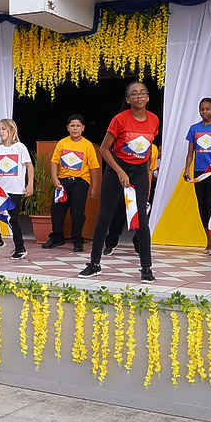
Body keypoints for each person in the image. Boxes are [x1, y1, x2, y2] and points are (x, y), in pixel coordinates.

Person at [79, 81, 159, 283]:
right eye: (134, 93)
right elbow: (104, 149)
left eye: (143, 93)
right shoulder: (120, 119)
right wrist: (120, 172)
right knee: (104, 217)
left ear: (148, 97)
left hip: (140, 171)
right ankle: (94, 264)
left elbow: (147, 150)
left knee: (142, 219)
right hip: (117, 168)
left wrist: (146, 175)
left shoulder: (154, 120)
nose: (139, 96)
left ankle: (146, 268)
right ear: (128, 99)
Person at [42, 114, 101, 252]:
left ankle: (77, 240)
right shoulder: (62, 143)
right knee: (57, 210)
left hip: (80, 182)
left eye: (78, 126)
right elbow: (54, 162)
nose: (75, 128)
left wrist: (94, 187)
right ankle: (57, 237)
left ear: (83, 128)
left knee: (77, 212)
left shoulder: (87, 145)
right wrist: (55, 178)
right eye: (72, 126)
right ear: (68, 128)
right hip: (62, 182)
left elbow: (94, 168)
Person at [183, 97, 211, 255]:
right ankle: (208, 239)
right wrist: (187, 169)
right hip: (199, 173)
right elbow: (190, 153)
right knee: (201, 205)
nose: (204, 112)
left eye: (207, 109)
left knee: (210, 204)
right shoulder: (194, 129)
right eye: (202, 109)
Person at [0, 118, 34, 259]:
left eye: (4, 129)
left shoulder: (20, 147)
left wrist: (30, 184)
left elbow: (30, 166)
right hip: (1, 190)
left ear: (12, 130)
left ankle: (20, 249)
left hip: (15, 190)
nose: (1, 132)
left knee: (13, 219)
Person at [102, 142, 158, 256]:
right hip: (123, 182)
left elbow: (150, 170)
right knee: (118, 214)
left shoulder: (153, 148)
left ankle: (139, 245)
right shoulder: (126, 142)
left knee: (141, 216)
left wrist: (147, 190)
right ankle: (110, 244)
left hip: (140, 184)